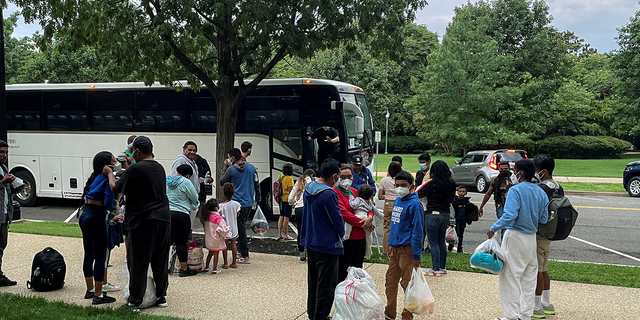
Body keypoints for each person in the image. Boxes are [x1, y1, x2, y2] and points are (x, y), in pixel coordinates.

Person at [103, 136, 171, 310]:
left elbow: (116, 187)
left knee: (138, 261)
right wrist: (131, 166)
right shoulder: (159, 167)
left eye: (133, 152)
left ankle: (135, 301)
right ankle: (161, 297)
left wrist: (110, 173)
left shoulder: (136, 169)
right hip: (163, 218)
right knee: (160, 259)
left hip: (143, 220)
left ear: (138, 151)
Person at [487, 159, 549, 320]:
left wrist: (494, 228)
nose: (513, 174)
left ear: (520, 173)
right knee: (529, 277)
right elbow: (544, 218)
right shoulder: (541, 192)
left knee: (509, 276)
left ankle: (511, 315)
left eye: (515, 171)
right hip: (531, 238)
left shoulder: (515, 190)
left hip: (515, 235)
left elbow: (510, 215)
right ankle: (526, 314)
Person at [299, 159, 344, 320]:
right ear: (333, 176)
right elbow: (337, 219)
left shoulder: (309, 188)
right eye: (338, 176)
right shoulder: (328, 193)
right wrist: (342, 233)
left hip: (311, 240)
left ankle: (313, 313)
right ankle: (321, 315)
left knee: (314, 281)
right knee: (327, 284)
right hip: (327, 243)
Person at [384, 171, 423, 320]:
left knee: (408, 285)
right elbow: (394, 226)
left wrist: (416, 256)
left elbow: (417, 232)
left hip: (408, 250)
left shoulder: (415, 205)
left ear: (411, 187)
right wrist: (390, 243)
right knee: (390, 282)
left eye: (403, 186)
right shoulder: (397, 201)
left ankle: (407, 316)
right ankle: (389, 313)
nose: (400, 188)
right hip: (395, 249)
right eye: (397, 185)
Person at [79, 151, 118, 304]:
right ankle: (99, 295)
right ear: (107, 165)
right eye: (114, 160)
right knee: (100, 256)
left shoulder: (94, 178)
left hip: (85, 215)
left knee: (89, 254)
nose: (116, 162)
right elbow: (108, 202)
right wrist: (110, 175)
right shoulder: (106, 178)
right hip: (96, 217)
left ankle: (89, 290)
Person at [533, 154, 562, 318]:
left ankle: (537, 306)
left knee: (537, 270)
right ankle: (546, 302)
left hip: (540, 232)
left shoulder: (541, 188)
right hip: (551, 232)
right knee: (543, 268)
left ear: (542, 171)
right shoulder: (558, 186)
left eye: (536, 170)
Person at [219, 148, 260, 264]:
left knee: (240, 229)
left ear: (232, 158)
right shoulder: (252, 168)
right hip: (248, 202)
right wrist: (258, 199)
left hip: (236, 202)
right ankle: (240, 251)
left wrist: (225, 167)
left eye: (229, 157)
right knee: (240, 226)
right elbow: (257, 184)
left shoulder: (231, 169)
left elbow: (222, 181)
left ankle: (244, 253)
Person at [333, 165, 374, 281]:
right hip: (347, 239)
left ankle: (355, 293)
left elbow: (368, 206)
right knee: (343, 270)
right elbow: (344, 214)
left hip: (360, 237)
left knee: (358, 269)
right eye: (343, 177)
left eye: (349, 176)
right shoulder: (334, 193)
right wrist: (364, 223)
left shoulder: (354, 191)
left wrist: (369, 218)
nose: (347, 179)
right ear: (337, 177)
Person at [417, 160, 456, 276]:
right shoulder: (451, 183)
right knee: (441, 241)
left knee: (433, 242)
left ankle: (435, 268)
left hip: (432, 213)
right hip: (445, 213)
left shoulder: (431, 182)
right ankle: (442, 267)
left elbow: (417, 192)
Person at [166, 164, 200, 277]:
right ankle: (184, 269)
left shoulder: (166, 180)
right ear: (188, 175)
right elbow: (194, 198)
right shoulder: (186, 181)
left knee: (165, 242)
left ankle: (163, 267)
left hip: (166, 213)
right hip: (181, 214)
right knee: (181, 242)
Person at [479, 161, 514, 240]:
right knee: (504, 227)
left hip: (513, 207)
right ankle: (504, 246)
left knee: (512, 227)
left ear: (509, 168)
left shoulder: (514, 179)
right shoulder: (495, 180)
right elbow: (488, 194)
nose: (504, 171)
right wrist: (481, 207)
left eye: (506, 168)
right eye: (501, 169)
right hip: (500, 206)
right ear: (498, 169)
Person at [0, 140, 18, 287]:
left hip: (4, 214)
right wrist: (3, 182)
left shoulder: (4, 168)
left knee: (1, 245)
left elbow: (7, 192)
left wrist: (17, 187)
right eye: (1, 152)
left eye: (6, 152)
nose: (4, 155)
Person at [348, 184, 383, 259]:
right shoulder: (369, 202)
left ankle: (346, 235)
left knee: (348, 225)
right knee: (368, 234)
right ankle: (369, 248)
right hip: (365, 216)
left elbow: (353, 205)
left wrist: (351, 198)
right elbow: (375, 210)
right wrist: (381, 216)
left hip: (358, 216)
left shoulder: (358, 199)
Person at [199, 198, 232, 274]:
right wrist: (228, 234)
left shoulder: (206, 216)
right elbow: (223, 230)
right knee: (216, 253)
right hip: (216, 239)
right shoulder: (218, 218)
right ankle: (214, 269)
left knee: (210, 253)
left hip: (209, 239)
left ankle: (207, 267)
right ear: (216, 207)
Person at [289, 169, 315, 262]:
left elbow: (290, 198)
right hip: (307, 208)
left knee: (300, 231)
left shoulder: (297, 183)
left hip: (298, 209)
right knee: (310, 231)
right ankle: (310, 253)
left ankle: (302, 254)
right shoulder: (311, 182)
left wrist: (293, 203)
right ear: (311, 175)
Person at [378, 162, 402, 255]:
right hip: (399, 203)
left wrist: (387, 195)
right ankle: (396, 250)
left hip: (388, 203)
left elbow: (380, 196)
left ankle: (385, 250)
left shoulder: (384, 180)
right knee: (398, 227)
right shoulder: (401, 180)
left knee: (387, 227)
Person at [219, 182, 240, 269]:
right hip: (234, 228)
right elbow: (237, 214)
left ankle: (225, 263)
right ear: (233, 193)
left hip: (225, 228)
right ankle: (234, 262)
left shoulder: (220, 205)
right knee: (233, 244)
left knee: (225, 245)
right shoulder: (236, 204)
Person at [450, 186, 471, 253]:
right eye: (460, 191)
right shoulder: (454, 201)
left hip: (463, 220)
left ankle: (460, 247)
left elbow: (470, 210)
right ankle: (451, 245)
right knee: (454, 233)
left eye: (463, 191)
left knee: (461, 234)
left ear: (466, 193)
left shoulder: (466, 201)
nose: (461, 193)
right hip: (456, 220)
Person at [278, 162, 295, 240]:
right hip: (287, 200)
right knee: (286, 218)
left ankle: (280, 234)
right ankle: (286, 234)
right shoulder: (290, 179)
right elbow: (290, 191)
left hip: (281, 200)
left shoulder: (281, 176)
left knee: (281, 216)